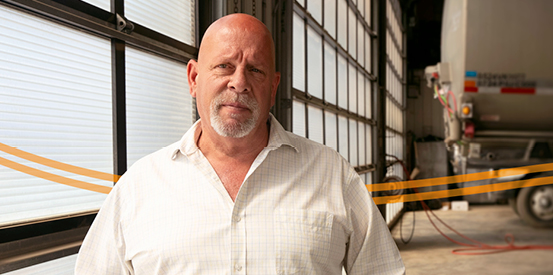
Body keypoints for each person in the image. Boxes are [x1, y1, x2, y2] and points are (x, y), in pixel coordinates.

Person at [75, 13, 405, 274]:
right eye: (224, 66)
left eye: (256, 70)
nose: (240, 83)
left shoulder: (330, 174)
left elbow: (382, 270)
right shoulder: (140, 186)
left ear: (273, 87)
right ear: (193, 78)